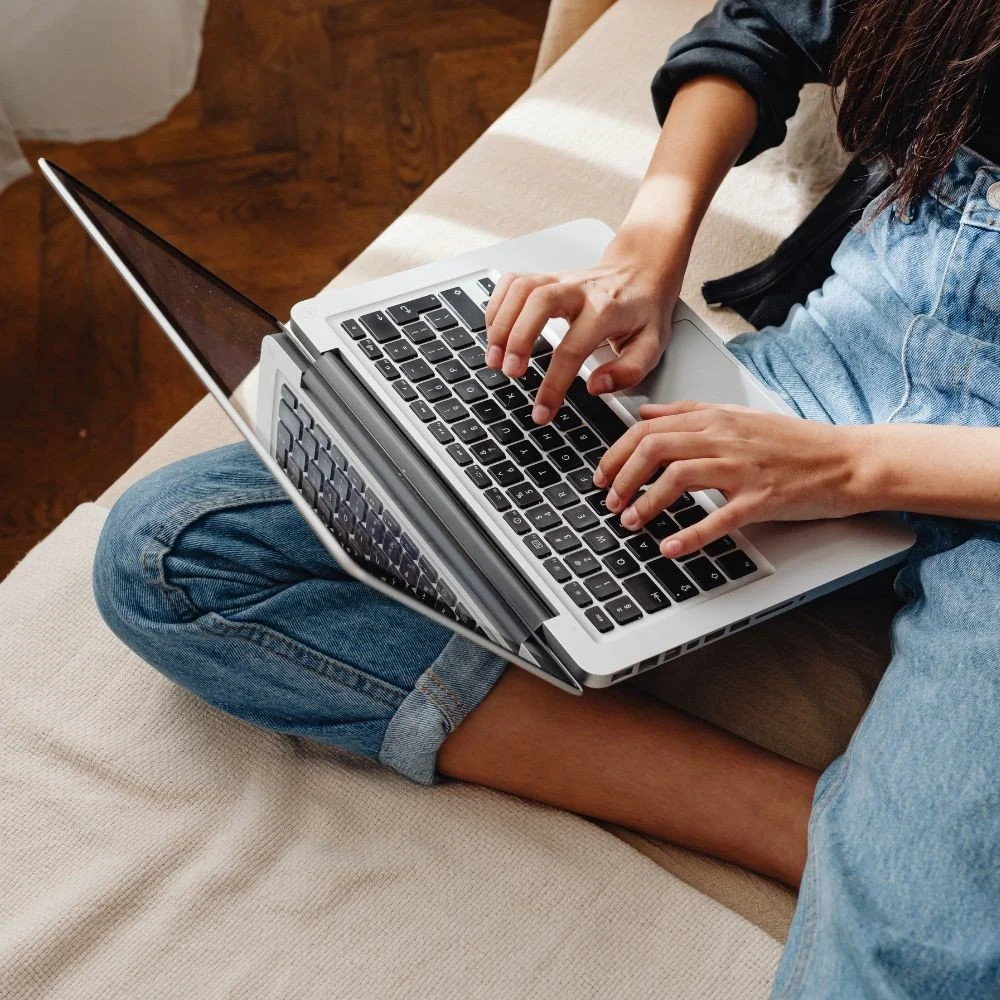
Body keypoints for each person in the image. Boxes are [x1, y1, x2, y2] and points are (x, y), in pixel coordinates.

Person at [93, 1, 1000, 995]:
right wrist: (644, 251)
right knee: (179, 551)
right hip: (838, 364)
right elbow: (764, 26)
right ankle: (817, 835)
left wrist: (846, 470)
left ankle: (895, 891)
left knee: (898, 970)